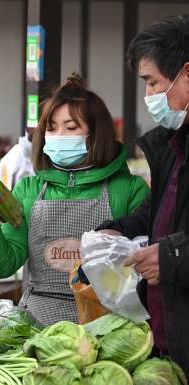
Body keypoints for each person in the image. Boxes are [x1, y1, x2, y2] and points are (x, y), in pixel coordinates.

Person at [0, 75, 149, 326]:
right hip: (37, 324)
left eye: (71, 128)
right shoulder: (28, 189)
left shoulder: (130, 190)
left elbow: (143, 271)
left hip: (108, 323)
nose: (58, 135)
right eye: (51, 127)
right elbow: (3, 265)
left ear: (97, 134)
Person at [96, 15, 189, 373]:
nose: (148, 96)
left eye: (152, 83)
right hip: (169, 340)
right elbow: (160, 211)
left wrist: (172, 257)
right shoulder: (171, 145)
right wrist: (117, 230)